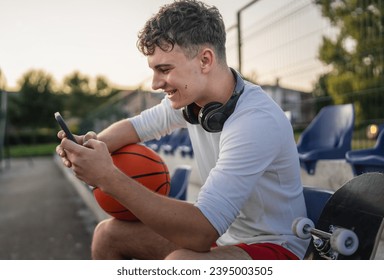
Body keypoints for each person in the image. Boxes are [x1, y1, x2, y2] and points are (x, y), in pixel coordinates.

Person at [56, 0, 309, 260]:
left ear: (205, 60)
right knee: (107, 236)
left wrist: (107, 177)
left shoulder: (255, 121)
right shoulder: (192, 101)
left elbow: (201, 232)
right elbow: (136, 126)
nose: (154, 84)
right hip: (226, 237)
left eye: (164, 69)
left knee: (181, 264)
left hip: (276, 247)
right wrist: (89, 149)